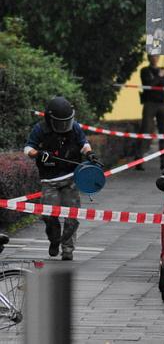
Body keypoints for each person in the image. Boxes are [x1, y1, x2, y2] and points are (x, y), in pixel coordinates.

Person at [24, 96, 101, 261]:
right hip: (49, 181)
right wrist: (38, 153)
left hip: (71, 179)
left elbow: (84, 143)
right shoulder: (40, 129)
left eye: (67, 121)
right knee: (48, 215)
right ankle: (54, 239)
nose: (64, 125)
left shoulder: (75, 128)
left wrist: (89, 153)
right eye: (60, 122)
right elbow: (28, 148)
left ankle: (67, 250)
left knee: (72, 217)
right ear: (50, 119)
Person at [139, 53, 164, 168]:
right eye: (152, 56)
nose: (154, 58)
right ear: (149, 58)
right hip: (150, 104)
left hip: (162, 104)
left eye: (156, 56)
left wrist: (162, 77)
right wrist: (160, 76)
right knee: (146, 130)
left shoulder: (163, 70)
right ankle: (139, 160)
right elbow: (149, 84)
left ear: (158, 58)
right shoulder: (145, 70)